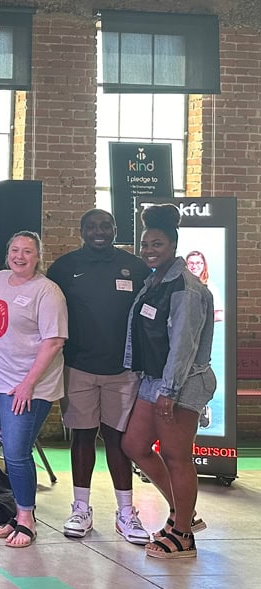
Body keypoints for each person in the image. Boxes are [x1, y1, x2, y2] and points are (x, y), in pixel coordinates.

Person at [46, 209, 151, 543]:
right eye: (91, 226)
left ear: (115, 229)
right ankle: (81, 509)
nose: (99, 231)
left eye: (106, 226)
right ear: (81, 231)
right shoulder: (63, 268)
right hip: (78, 368)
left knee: (118, 440)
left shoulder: (135, 267)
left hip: (123, 370)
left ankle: (126, 513)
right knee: (82, 436)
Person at [122, 205, 216, 560]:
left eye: (157, 244)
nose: (149, 250)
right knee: (135, 445)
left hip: (181, 381)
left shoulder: (186, 288)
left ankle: (183, 535)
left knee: (176, 456)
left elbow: (183, 345)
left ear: (173, 245)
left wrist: (170, 390)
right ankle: (182, 513)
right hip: (155, 379)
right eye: (145, 244)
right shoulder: (155, 281)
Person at [0, 231, 68, 548]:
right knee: (9, 449)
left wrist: (27, 384)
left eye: (27, 251)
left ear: (38, 256)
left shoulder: (47, 291)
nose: (20, 256)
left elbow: (54, 341)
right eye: (14, 250)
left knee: (16, 452)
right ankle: (17, 514)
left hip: (26, 386)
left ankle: (27, 519)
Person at [184, 250, 225, 322]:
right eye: (191, 263)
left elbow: (220, 315)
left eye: (198, 263)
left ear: (204, 265)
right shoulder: (179, 285)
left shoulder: (210, 287)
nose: (194, 266)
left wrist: (198, 321)